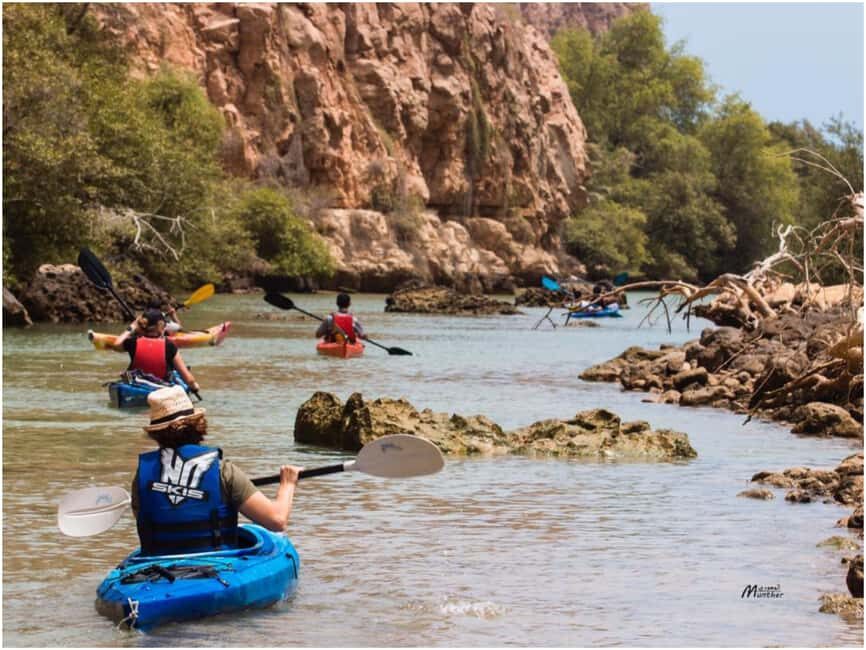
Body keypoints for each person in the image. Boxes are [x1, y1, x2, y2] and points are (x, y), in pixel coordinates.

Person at [131, 386, 301, 555]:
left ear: (156, 434)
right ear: (199, 425)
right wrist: (288, 482)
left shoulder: (142, 475)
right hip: (215, 566)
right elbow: (277, 520)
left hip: (153, 567)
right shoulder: (224, 471)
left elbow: (149, 521)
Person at [112, 308, 200, 393]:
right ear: (161, 325)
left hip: (136, 385)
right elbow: (189, 379)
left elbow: (116, 345)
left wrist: (132, 326)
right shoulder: (169, 345)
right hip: (160, 389)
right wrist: (194, 387)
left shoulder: (133, 342)